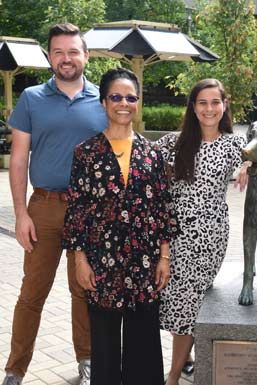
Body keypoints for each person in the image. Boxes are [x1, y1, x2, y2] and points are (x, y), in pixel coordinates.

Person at [3, 23, 108, 385]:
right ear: (50, 57)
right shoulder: (31, 98)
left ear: (86, 56)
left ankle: (88, 360)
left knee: (84, 290)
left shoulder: (104, 100)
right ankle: (15, 369)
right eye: (59, 52)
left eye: (73, 51)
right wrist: (20, 214)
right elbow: (18, 160)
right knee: (32, 293)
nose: (66, 58)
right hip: (44, 208)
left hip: (91, 211)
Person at [62, 68, 175, 385]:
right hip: (101, 260)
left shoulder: (152, 154)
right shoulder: (86, 153)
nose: (123, 103)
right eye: (116, 96)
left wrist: (164, 258)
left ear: (137, 103)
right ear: (103, 102)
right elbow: (78, 209)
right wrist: (80, 260)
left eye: (130, 97)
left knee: (144, 341)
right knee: (105, 342)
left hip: (145, 260)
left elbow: (161, 208)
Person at [157, 78, 247, 385]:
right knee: (172, 300)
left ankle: (172, 376)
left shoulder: (235, 144)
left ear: (224, 106)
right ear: (193, 107)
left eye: (215, 102)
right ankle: (186, 359)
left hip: (208, 235)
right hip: (171, 233)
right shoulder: (174, 142)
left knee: (187, 303)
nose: (209, 109)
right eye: (202, 103)